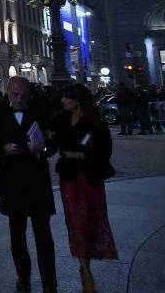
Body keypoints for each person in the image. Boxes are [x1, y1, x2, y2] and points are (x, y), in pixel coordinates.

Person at [0, 76, 57, 293]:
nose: (19, 98)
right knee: (17, 233)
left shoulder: (40, 110)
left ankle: (50, 283)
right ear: (8, 92)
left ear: (29, 93)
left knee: (43, 234)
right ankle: (23, 276)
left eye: (23, 94)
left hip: (37, 178)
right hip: (11, 178)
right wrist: (3, 148)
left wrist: (43, 148)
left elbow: (53, 142)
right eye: (15, 94)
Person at [51, 83, 118, 291]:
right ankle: (86, 271)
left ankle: (86, 265)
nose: (62, 101)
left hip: (90, 177)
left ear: (78, 100)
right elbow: (52, 144)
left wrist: (77, 155)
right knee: (76, 221)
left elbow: (104, 150)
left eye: (66, 98)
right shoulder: (60, 119)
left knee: (93, 218)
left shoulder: (94, 121)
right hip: (70, 179)